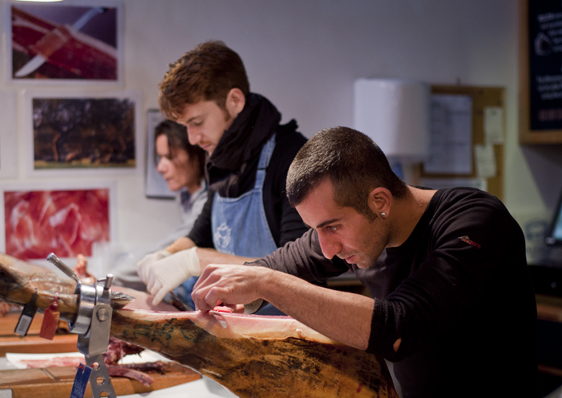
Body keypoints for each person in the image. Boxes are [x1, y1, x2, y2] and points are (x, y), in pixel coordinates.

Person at [191, 126, 538, 398]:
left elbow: (401, 328)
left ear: (379, 201)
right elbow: (281, 265)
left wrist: (267, 284)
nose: (326, 248)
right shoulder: (362, 226)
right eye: (316, 230)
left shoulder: (474, 222)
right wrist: (239, 287)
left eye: (331, 227)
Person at [137, 41, 309, 311]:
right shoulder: (224, 161)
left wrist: (195, 260)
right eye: (186, 127)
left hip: (288, 330)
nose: (192, 139)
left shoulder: (292, 158)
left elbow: (297, 269)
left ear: (235, 101)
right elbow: (200, 235)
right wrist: (166, 254)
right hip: (238, 334)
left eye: (197, 123)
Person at [74, 120, 207, 304]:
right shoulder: (186, 198)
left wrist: (102, 281)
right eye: (160, 158)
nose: (161, 167)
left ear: (196, 152)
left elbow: (167, 249)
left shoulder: (206, 202)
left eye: (169, 157)